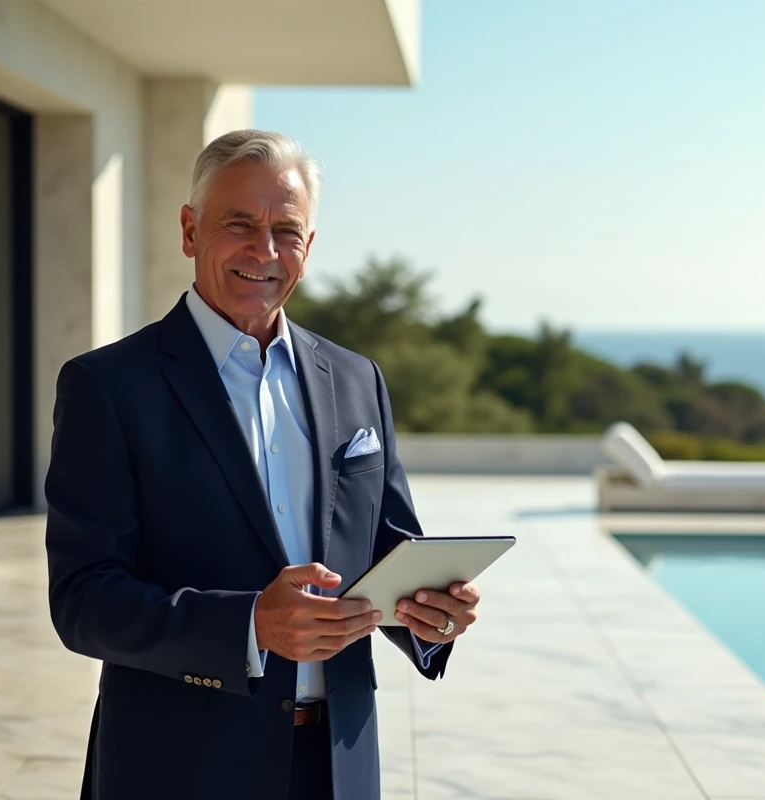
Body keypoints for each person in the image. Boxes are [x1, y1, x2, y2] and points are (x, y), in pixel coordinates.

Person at [45, 129, 481, 800]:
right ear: (190, 231)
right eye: (239, 224)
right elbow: (83, 601)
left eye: (287, 230)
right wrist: (251, 624)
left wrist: (429, 612)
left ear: (310, 247)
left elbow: (386, 548)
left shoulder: (358, 379)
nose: (265, 251)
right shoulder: (108, 387)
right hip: (177, 768)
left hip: (338, 764)